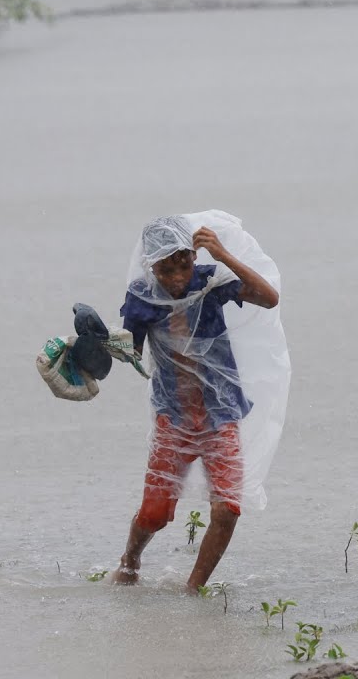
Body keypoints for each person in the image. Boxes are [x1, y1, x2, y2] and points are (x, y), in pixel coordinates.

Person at [110, 216, 280, 593]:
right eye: (166, 269)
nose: (177, 278)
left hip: (220, 415)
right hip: (174, 417)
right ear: (151, 266)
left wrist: (222, 255)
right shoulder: (142, 298)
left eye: (184, 263)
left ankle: (193, 590)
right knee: (154, 514)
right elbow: (131, 353)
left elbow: (269, 298)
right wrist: (95, 351)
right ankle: (131, 560)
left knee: (227, 509)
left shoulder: (209, 284)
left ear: (193, 255)